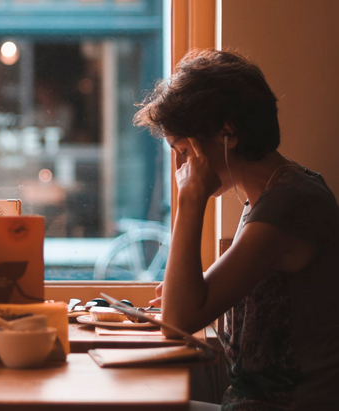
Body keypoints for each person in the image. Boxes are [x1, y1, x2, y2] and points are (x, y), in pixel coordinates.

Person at [133, 49, 339, 411]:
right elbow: (191, 302)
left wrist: (190, 201)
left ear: (228, 133)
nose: (181, 168)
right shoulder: (271, 195)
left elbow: (178, 322)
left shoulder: (287, 205)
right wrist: (186, 290)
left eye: (184, 150)